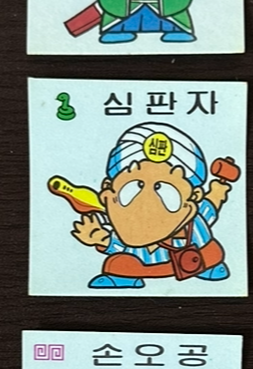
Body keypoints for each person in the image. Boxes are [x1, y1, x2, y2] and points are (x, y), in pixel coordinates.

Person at [68, 122, 235, 288]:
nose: (148, 202)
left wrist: (217, 191)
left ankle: (207, 268)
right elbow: (119, 245)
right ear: (107, 188)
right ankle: (125, 278)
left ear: (194, 196)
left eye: (163, 189)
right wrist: (101, 238)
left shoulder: (195, 221)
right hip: (141, 266)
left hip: (194, 260)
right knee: (120, 263)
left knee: (209, 253)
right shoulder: (124, 224)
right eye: (134, 187)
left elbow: (210, 206)